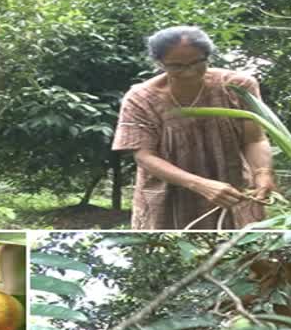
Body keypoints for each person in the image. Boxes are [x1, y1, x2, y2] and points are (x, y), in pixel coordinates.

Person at [112, 26, 275, 230]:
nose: (189, 72)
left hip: (234, 187)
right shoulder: (141, 98)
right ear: (160, 63)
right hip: (170, 194)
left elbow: (254, 139)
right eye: (177, 66)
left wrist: (262, 173)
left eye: (197, 63)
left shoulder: (238, 86)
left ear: (208, 57)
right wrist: (200, 184)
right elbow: (144, 156)